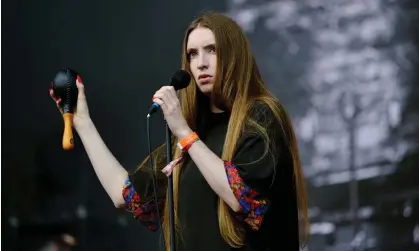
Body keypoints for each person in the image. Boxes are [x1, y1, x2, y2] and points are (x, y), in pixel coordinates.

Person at [49, 11, 309, 251]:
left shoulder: (261, 116)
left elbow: (242, 198)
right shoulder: (192, 135)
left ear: (234, 55)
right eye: (192, 54)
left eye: (212, 50)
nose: (201, 63)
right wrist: (82, 122)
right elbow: (124, 194)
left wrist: (184, 132)